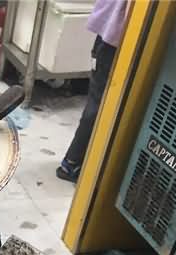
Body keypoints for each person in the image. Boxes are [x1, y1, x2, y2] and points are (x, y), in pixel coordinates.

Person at [57, 0, 128, 182]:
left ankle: (75, 161)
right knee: (99, 104)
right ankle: (72, 163)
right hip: (114, 44)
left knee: (98, 101)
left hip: (108, 39)